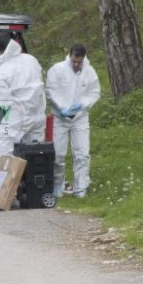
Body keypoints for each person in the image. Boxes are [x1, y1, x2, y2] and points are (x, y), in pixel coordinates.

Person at [46, 44, 101, 198]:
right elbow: (51, 91)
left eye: (79, 62)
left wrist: (82, 105)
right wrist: (62, 108)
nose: (76, 65)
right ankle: (58, 185)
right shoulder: (57, 70)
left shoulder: (90, 72)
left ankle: (81, 188)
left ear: (84, 59)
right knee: (58, 154)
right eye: (74, 62)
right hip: (60, 117)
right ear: (69, 56)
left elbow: (95, 93)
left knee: (82, 153)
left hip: (80, 118)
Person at [0, 31, 46, 161]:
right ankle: (34, 181)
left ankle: (6, 181)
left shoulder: (2, 71)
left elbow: (5, 103)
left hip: (17, 116)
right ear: (14, 43)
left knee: (4, 155)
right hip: (38, 115)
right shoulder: (31, 59)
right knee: (35, 155)